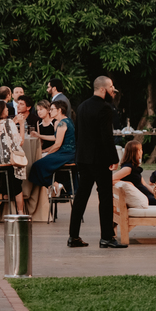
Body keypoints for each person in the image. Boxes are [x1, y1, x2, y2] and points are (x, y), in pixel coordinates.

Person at [67, 76, 126, 249]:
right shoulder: (105, 108)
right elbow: (106, 137)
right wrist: (114, 159)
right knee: (105, 198)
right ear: (102, 89)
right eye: (111, 88)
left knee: (81, 197)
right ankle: (106, 237)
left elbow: (79, 134)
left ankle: (73, 236)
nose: (113, 91)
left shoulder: (82, 106)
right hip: (99, 160)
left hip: (83, 159)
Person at [0, 100, 24, 216]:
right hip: (10, 159)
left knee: (7, 178)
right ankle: (20, 212)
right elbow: (20, 142)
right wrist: (21, 124)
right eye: (6, 108)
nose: (8, 109)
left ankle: (4, 203)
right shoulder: (8, 123)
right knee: (17, 185)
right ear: (1, 111)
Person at [28, 99, 75, 191]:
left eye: (52, 109)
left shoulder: (62, 123)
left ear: (59, 110)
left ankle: (54, 184)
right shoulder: (68, 120)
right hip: (69, 153)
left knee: (36, 166)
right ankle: (53, 186)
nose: (50, 111)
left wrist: (47, 154)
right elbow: (56, 137)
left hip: (65, 154)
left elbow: (57, 144)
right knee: (38, 165)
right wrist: (39, 136)